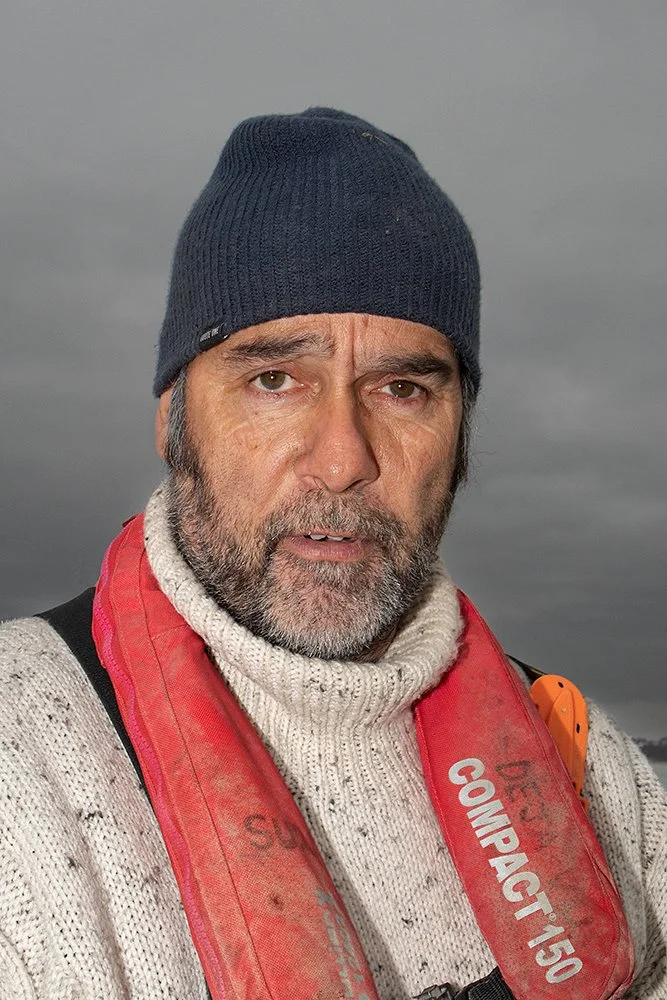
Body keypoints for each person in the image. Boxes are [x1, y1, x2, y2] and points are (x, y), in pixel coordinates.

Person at [0, 107, 664, 1000]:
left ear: (459, 435)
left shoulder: (594, 774)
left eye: (401, 388)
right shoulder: (21, 762)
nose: (344, 458)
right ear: (171, 419)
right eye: (274, 380)